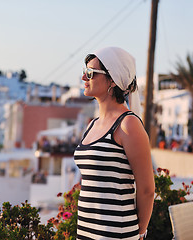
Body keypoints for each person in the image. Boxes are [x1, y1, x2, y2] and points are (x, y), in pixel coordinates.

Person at [74, 47, 155, 239]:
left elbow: (147, 189)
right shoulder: (92, 125)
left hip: (115, 234)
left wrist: (139, 232)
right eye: (85, 72)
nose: (84, 78)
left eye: (90, 73)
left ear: (112, 80)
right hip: (87, 232)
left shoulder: (129, 125)